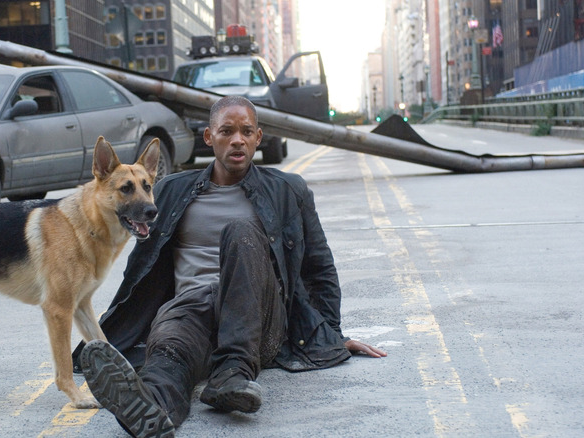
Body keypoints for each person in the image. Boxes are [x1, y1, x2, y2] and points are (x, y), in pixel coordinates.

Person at [75, 95, 386, 438]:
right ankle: (151, 408)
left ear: (257, 138)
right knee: (168, 353)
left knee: (239, 233)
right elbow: (141, 269)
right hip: (191, 311)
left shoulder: (286, 190)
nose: (237, 139)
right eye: (226, 131)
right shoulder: (170, 191)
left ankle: (233, 372)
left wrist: (329, 334)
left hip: (258, 322)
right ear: (209, 137)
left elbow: (319, 267)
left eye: (246, 131)